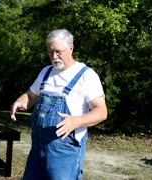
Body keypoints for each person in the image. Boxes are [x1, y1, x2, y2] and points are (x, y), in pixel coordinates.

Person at [10, 29, 108, 180]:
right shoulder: (46, 72)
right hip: (38, 147)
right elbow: (31, 95)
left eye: (58, 52)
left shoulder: (86, 75)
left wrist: (76, 121)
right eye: (50, 52)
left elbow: (101, 112)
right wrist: (21, 101)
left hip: (65, 151)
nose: (54, 57)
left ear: (71, 48)